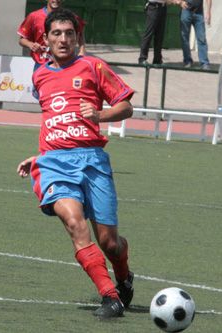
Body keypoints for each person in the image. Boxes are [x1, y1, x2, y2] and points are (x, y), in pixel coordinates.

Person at [17, 9, 134, 319]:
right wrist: (40, 155)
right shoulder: (39, 74)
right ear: (47, 38)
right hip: (55, 163)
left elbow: (126, 106)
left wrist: (99, 116)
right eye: (56, 33)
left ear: (78, 38)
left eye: (69, 33)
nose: (63, 39)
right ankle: (110, 297)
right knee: (73, 222)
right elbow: (52, 119)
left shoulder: (94, 66)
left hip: (93, 160)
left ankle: (124, 276)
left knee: (110, 244)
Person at [17, 0, 86, 71]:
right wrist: (31, 45)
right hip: (41, 65)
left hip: (66, 64)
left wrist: (82, 51)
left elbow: (80, 35)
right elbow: (22, 40)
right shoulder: (34, 16)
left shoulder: (72, 18)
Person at [138, 0, 183, 65]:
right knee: (149, 33)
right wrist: (175, 1)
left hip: (163, 7)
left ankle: (157, 60)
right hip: (154, 7)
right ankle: (142, 58)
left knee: (159, 35)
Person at [180, 0, 212, 69]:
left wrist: (208, 12)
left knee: (201, 38)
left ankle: (204, 62)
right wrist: (180, 2)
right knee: (185, 37)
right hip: (186, 10)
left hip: (199, 12)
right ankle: (187, 61)